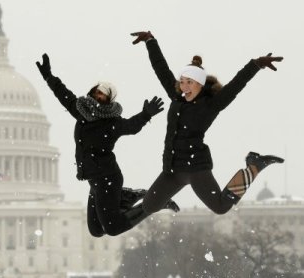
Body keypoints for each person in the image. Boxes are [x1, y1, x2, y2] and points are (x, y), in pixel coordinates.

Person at [131, 31, 284, 215]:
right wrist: (150, 41)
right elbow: (161, 69)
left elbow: (237, 84)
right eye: (182, 82)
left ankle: (254, 166)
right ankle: (164, 200)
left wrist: (256, 64)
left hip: (196, 168)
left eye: (190, 82)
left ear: (200, 85)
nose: (185, 87)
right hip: (172, 169)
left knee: (220, 207)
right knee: (149, 206)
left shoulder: (212, 104)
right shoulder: (177, 97)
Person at [36, 53, 179, 237]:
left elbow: (131, 126)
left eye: (104, 95)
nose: (99, 96)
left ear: (109, 100)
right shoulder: (81, 111)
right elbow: (63, 94)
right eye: (98, 92)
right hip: (93, 180)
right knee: (96, 231)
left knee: (113, 228)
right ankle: (128, 196)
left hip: (107, 179)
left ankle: (156, 202)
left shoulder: (111, 122)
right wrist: (48, 76)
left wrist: (145, 115)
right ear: (92, 92)